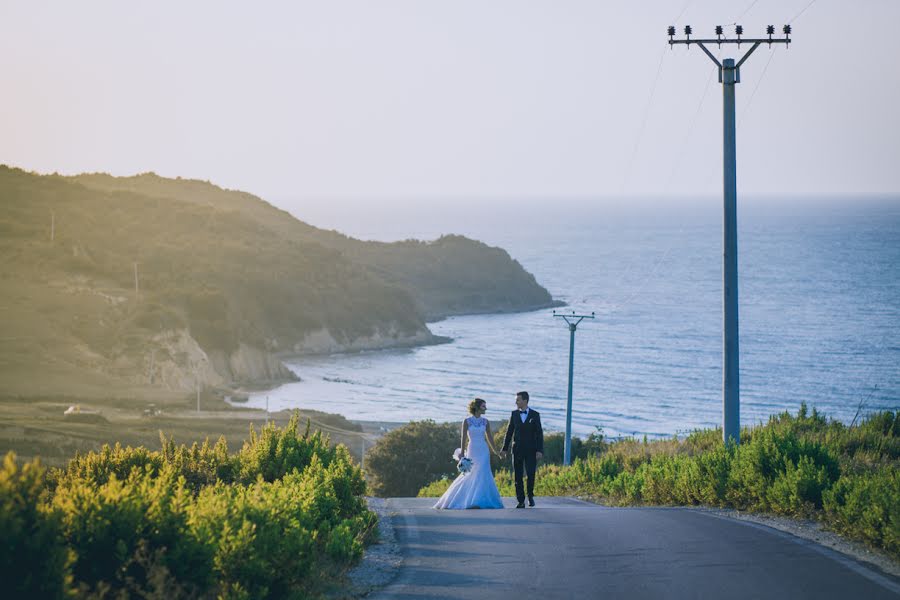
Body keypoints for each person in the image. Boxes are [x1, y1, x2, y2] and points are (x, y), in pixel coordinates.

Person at [433, 397, 504, 510]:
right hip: (472, 449)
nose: (486, 408)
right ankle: (463, 499)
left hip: (483, 450)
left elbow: (490, 438)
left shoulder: (485, 422)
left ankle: (478, 501)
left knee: (482, 473)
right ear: (476, 407)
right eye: (483, 406)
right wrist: (462, 453)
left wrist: (496, 452)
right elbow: (464, 438)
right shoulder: (466, 421)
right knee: (469, 474)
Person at [500, 391, 543, 508]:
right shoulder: (514, 414)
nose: (516, 402)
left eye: (518, 400)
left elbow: (539, 434)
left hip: (531, 450)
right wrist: (504, 449)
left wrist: (539, 450)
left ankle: (530, 496)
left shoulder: (535, 415)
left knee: (530, 473)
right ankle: (520, 500)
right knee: (517, 476)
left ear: (525, 401)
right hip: (517, 449)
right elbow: (509, 433)